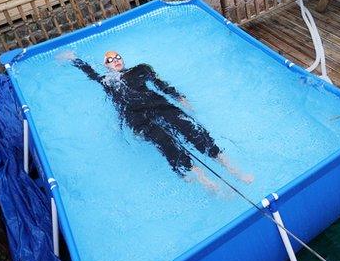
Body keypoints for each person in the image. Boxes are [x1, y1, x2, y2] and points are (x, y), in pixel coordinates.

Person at [66, 50, 252, 194]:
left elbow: (160, 83)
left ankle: (233, 169)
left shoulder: (140, 69)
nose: (115, 61)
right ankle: (206, 182)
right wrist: (74, 59)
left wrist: (179, 97)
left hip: (159, 106)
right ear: (105, 66)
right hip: (138, 120)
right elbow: (89, 72)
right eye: (110, 60)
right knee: (168, 144)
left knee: (194, 131)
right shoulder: (107, 80)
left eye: (117, 57)